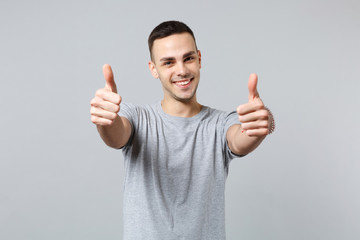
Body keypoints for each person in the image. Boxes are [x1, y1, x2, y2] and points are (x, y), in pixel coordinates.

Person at [90, 20, 274, 240]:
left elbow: (239, 138)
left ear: (199, 59)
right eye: (168, 62)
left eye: (188, 58)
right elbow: (117, 134)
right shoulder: (137, 118)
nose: (182, 70)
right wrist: (105, 120)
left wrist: (262, 123)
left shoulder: (220, 122)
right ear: (153, 69)